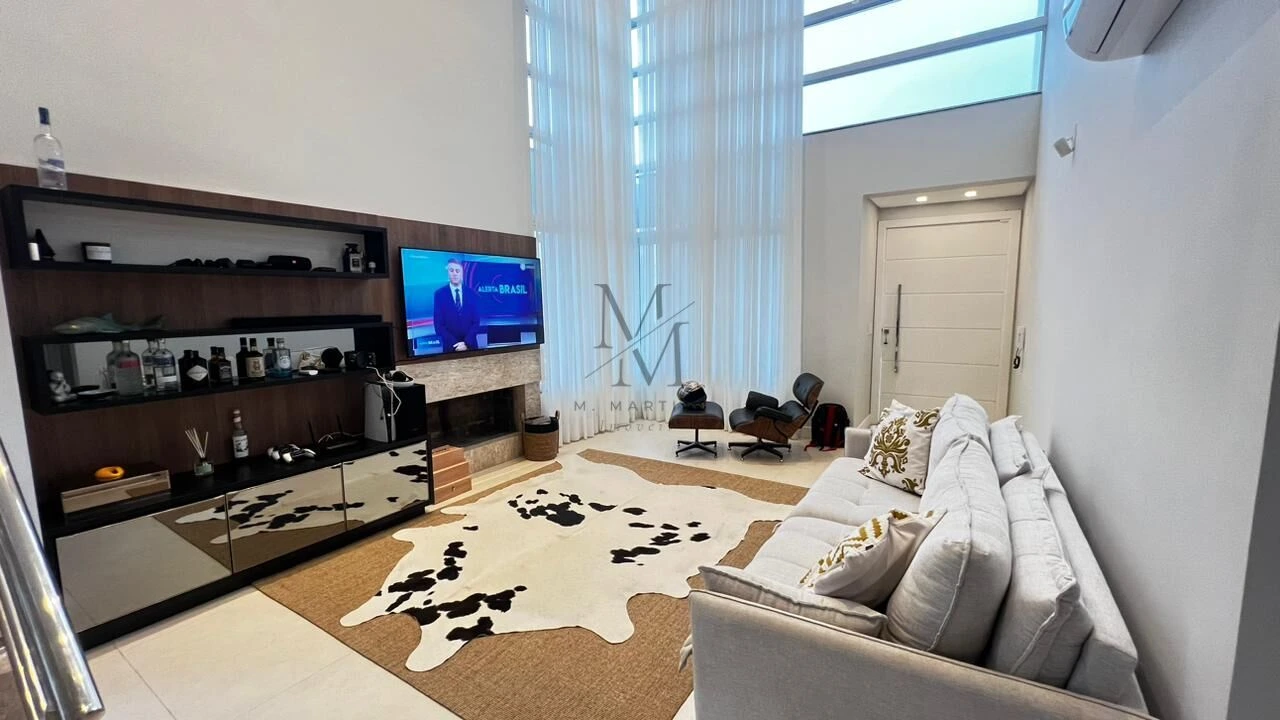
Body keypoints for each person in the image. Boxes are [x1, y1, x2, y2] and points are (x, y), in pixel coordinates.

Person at [433, 258, 481, 352]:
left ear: (462, 274)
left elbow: (476, 322)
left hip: (471, 347)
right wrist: (456, 345)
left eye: (457, 271)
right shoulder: (439, 295)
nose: (454, 273)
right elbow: (438, 325)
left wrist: (466, 343)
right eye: (451, 270)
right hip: (450, 349)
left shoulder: (472, 294)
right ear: (448, 272)